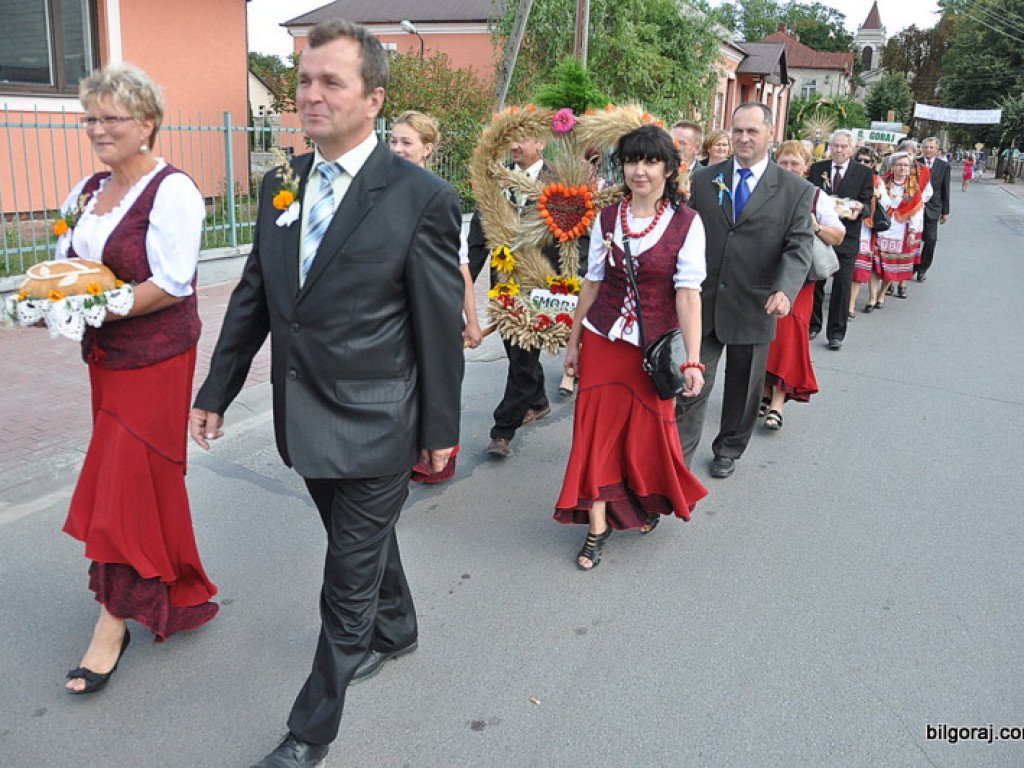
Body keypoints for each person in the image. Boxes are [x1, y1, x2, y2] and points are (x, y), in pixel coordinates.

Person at [189, 19, 464, 768]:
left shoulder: (422, 198)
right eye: (304, 80)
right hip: (301, 417)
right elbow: (256, 293)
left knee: (345, 577)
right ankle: (399, 624)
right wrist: (217, 387)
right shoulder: (283, 183)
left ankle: (310, 731)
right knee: (361, 538)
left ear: (373, 98)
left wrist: (440, 426)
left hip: (380, 419)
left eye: (329, 82)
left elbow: (438, 327)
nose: (310, 95)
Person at [56, 65, 218, 694]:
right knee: (145, 482)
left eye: (111, 118)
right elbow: (74, 266)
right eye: (90, 117)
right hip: (105, 359)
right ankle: (181, 588)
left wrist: (100, 307)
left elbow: (173, 280)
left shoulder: (171, 190)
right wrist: (57, 298)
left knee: (122, 481)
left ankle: (111, 624)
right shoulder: (87, 190)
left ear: (147, 123)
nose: (98, 129)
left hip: (157, 357)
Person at [554, 125, 708, 569]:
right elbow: (594, 283)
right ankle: (597, 525)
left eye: (650, 161)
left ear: (668, 167)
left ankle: (641, 501)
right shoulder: (607, 217)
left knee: (645, 436)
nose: (639, 170)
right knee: (595, 433)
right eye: (631, 161)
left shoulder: (686, 223)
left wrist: (693, 360)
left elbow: (688, 295)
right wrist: (575, 340)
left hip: (651, 350)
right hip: (604, 341)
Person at [678, 102, 814, 479]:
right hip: (704, 302)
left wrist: (785, 289)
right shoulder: (705, 180)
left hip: (756, 303)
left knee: (744, 385)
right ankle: (676, 463)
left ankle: (728, 448)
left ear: (770, 133)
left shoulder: (795, 190)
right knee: (691, 383)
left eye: (752, 131)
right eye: (737, 130)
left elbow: (798, 246)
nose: (743, 138)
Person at [467, 135, 559, 458]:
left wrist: (568, 292)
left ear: (541, 143)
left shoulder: (559, 183)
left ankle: (502, 430)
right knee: (517, 352)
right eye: (512, 139)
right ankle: (538, 401)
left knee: (522, 358)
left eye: (523, 139)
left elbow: (572, 241)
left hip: (540, 287)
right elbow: (479, 238)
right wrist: (461, 285)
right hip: (503, 284)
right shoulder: (498, 182)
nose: (515, 145)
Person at [760, 141, 844, 430]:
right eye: (783, 163)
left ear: (806, 167)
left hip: (799, 280)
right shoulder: (763, 189)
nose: (788, 169)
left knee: (789, 335)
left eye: (794, 164)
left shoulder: (816, 196)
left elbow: (838, 236)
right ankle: (764, 389)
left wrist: (815, 225)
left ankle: (777, 403)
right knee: (763, 334)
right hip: (761, 274)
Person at [389, 110, 483, 350]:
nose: (397, 149)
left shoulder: (439, 198)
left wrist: (472, 321)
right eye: (393, 141)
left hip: (433, 314)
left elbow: (460, 265)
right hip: (390, 318)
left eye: (406, 142)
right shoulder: (380, 194)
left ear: (427, 149)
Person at [807, 129, 874, 351]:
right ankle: (813, 325)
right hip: (819, 234)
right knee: (816, 281)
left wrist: (859, 209)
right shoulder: (818, 169)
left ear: (852, 148)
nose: (838, 150)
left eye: (843, 146)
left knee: (842, 286)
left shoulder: (863, 173)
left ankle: (836, 333)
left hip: (847, 236)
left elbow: (868, 205)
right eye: (835, 145)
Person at [855, 151, 930, 308]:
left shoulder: (913, 189)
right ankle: (872, 296)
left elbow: (917, 211)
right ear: (893, 167)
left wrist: (913, 231)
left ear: (910, 168)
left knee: (892, 265)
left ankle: (882, 294)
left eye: (905, 165)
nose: (902, 168)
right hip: (882, 225)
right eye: (899, 165)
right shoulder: (883, 182)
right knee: (876, 263)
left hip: (900, 229)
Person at [849, 146, 891, 314]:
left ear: (873, 163)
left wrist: (878, 195)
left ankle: (850, 306)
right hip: (847, 224)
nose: (863, 163)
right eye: (859, 160)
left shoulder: (877, 181)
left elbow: (888, 204)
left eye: (867, 161)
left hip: (865, 228)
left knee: (858, 269)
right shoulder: (849, 177)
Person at [915, 137, 951, 281]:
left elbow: (945, 189)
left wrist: (945, 211)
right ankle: (909, 266)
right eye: (926, 147)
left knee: (931, 239)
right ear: (922, 149)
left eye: (931, 148)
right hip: (915, 207)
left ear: (937, 150)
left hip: (933, 207)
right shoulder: (915, 163)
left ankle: (923, 268)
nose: (928, 150)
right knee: (913, 239)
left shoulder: (944, 166)